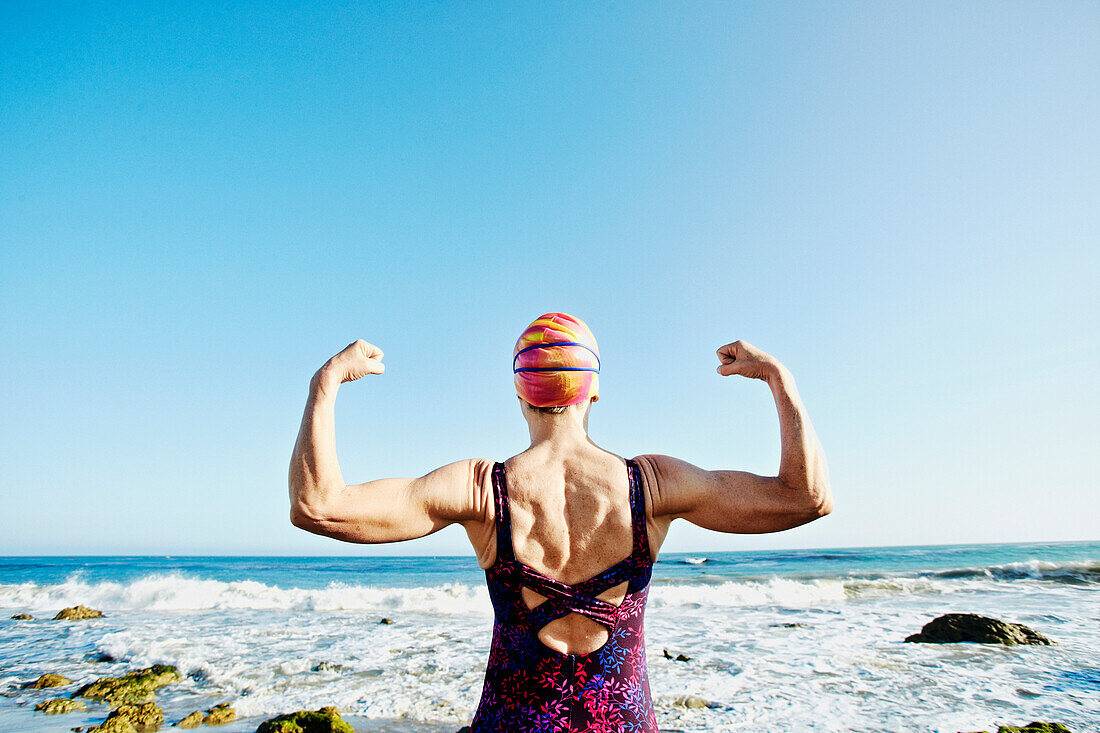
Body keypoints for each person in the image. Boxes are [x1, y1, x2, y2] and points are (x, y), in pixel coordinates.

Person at [288, 313, 833, 732]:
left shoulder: (481, 490)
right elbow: (806, 498)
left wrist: (325, 383)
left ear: (520, 391)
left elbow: (317, 505)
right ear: (593, 389)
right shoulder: (654, 485)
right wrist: (777, 378)